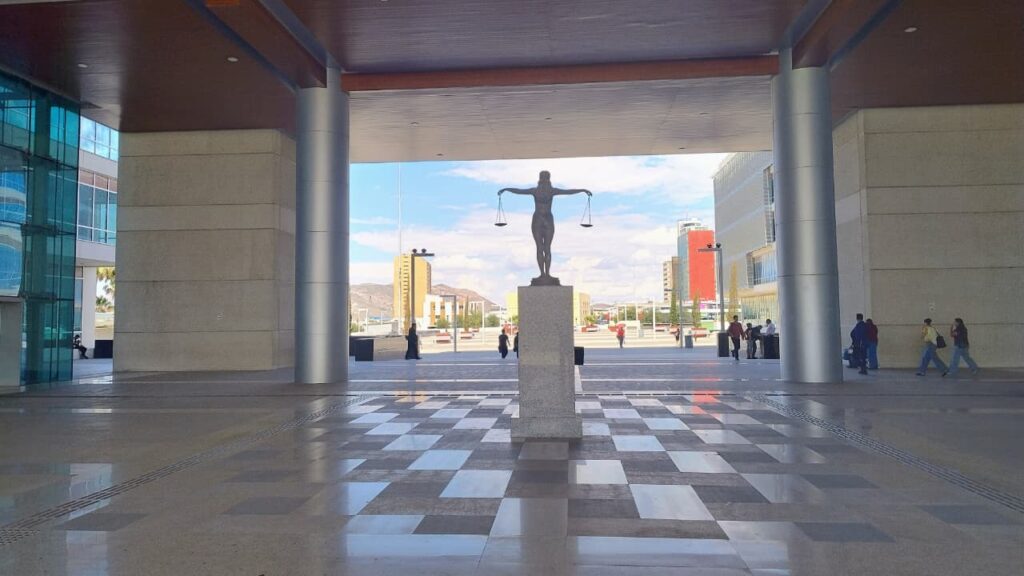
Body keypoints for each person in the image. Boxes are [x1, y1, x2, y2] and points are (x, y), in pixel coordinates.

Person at [498, 171, 592, 286]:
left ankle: (543, 274)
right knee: (547, 248)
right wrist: (582, 190)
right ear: (549, 179)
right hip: (548, 220)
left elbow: (519, 191)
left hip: (537, 220)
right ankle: (546, 274)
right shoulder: (552, 191)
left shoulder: (535, 191)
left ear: (540, 179)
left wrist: (506, 189)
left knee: (540, 247)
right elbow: (568, 192)